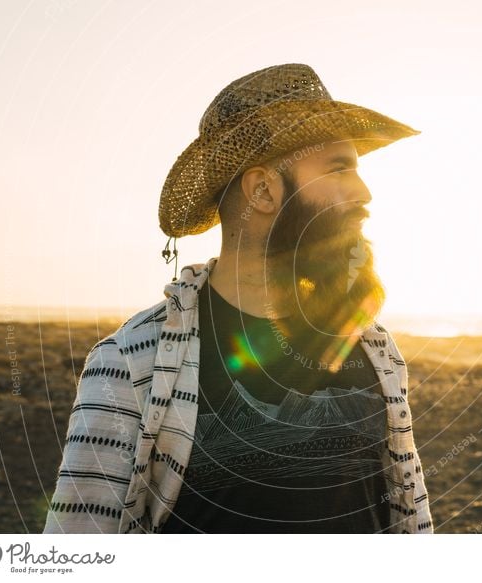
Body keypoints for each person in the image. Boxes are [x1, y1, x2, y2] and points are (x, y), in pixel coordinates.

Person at [42, 63, 433, 534]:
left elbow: (410, 516)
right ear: (263, 190)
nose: (364, 192)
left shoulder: (375, 348)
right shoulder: (130, 364)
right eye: (339, 168)